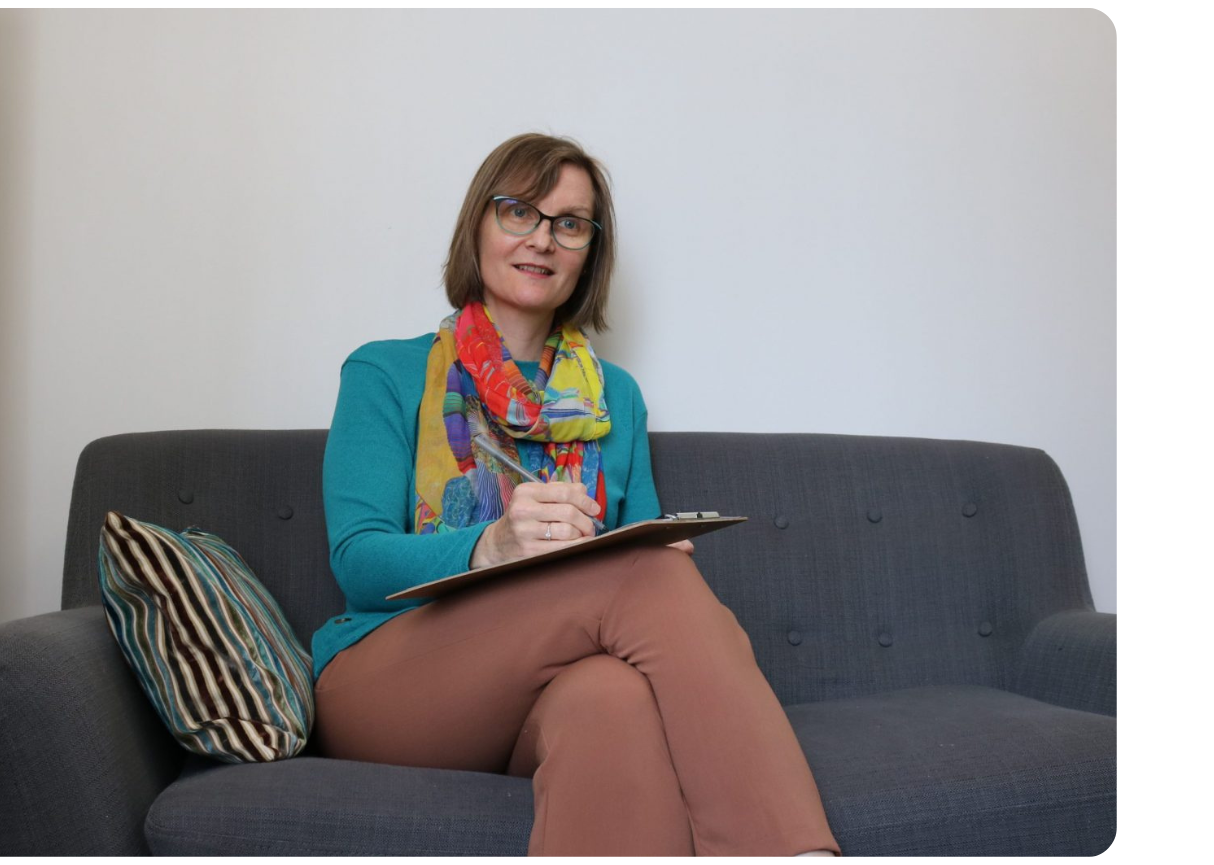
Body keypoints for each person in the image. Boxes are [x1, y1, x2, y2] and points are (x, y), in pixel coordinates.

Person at [309, 132, 842, 857]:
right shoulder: (386, 372)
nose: (542, 239)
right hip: (390, 682)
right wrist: (493, 541)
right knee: (645, 573)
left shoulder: (616, 398)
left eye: (569, 223)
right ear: (478, 224)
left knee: (610, 696)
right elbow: (358, 562)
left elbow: (642, 560)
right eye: (518, 212)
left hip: (542, 696)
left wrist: (658, 554)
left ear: (590, 249)